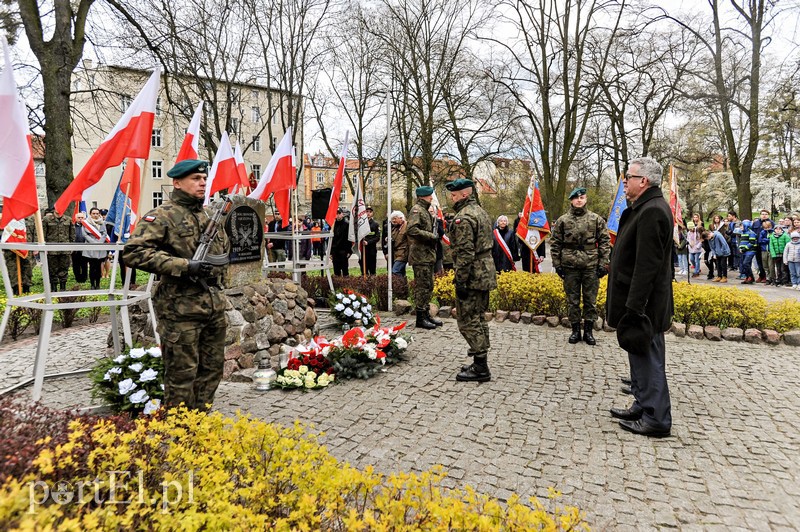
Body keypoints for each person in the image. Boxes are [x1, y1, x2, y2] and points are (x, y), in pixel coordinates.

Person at [123, 159, 229, 411]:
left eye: (204, 179)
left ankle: (201, 420)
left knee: (212, 369)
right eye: (195, 178)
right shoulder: (162, 216)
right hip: (180, 309)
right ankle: (179, 430)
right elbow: (133, 252)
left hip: (212, 305)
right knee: (181, 375)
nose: (202, 182)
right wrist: (184, 266)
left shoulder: (207, 215)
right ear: (177, 182)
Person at [606, 157, 673, 438]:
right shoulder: (643, 208)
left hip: (644, 305)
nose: (624, 181)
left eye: (628, 177)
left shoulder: (653, 211)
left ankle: (656, 418)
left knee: (649, 356)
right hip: (637, 302)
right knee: (638, 354)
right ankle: (643, 404)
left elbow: (647, 265)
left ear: (643, 181)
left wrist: (635, 306)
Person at [445, 178, 496, 382]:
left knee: (467, 320)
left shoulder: (463, 218)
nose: (452, 197)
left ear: (464, 194)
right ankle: (479, 359)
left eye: (454, 194)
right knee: (479, 316)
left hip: (473, 274)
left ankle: (481, 368)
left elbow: (465, 253)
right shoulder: (479, 211)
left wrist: (461, 281)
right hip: (485, 270)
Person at [549, 187, 611, 345]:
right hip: (569, 266)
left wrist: (604, 264)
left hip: (591, 265)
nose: (579, 200)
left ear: (586, 199)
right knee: (573, 301)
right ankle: (575, 330)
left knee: (590, 300)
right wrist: (557, 265)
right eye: (576, 198)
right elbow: (555, 243)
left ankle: (589, 332)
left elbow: (605, 242)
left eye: (582, 197)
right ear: (571, 200)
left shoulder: (596, 219)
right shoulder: (563, 220)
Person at [406, 186, 442, 330]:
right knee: (422, 287)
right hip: (420, 256)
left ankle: (426, 314)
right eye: (429, 196)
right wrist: (431, 236)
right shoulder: (417, 210)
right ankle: (420, 318)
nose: (431, 198)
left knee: (428, 286)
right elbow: (412, 230)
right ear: (423, 197)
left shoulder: (425, 210)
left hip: (427, 255)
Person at [42, 206, 75, 291]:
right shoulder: (47, 219)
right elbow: (43, 234)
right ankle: (53, 288)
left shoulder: (68, 219)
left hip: (65, 249)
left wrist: (71, 246)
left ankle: (63, 287)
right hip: (52, 249)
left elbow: (72, 234)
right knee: (52, 269)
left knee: (64, 268)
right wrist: (44, 247)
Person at [82, 207, 109, 290]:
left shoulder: (102, 223)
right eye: (94, 213)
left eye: (97, 213)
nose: (96, 215)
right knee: (92, 267)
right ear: (90, 214)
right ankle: (92, 284)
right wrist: (94, 242)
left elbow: (104, 234)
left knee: (98, 267)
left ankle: (98, 284)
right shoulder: (86, 223)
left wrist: (100, 242)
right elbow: (85, 234)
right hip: (90, 248)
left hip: (100, 248)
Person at [751, 209, 772, 282]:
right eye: (762, 214)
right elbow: (752, 233)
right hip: (757, 245)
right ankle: (761, 275)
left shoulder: (771, 223)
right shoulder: (756, 223)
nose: (764, 215)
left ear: (768, 215)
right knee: (759, 261)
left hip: (766, 246)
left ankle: (767, 276)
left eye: (766, 214)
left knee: (766, 262)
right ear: (760, 215)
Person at [330, 208, 352, 276]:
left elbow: (349, 239)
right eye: (336, 214)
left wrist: (349, 251)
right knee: (336, 270)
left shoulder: (347, 225)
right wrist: (330, 252)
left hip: (343, 250)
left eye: (339, 213)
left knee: (345, 270)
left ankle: (346, 285)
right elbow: (331, 239)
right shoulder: (332, 225)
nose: (338, 215)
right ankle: (337, 284)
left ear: (342, 214)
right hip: (335, 251)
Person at [360, 206, 380, 275]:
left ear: (372, 213)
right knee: (363, 268)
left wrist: (368, 242)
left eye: (370, 212)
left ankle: (372, 283)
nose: (368, 213)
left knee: (372, 269)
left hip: (371, 250)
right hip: (363, 250)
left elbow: (377, 237)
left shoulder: (375, 224)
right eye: (367, 211)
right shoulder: (361, 223)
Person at [388, 210, 409, 277]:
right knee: (402, 272)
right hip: (396, 254)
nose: (393, 221)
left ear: (401, 218)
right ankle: (404, 286)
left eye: (395, 218)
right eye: (392, 219)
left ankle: (399, 285)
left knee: (395, 271)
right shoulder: (394, 228)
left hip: (403, 253)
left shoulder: (407, 226)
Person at [738, 220, 758, 284]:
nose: (740, 227)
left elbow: (752, 243)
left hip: (750, 251)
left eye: (742, 226)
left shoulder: (751, 233)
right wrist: (740, 248)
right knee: (745, 265)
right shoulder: (743, 233)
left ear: (746, 226)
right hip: (744, 251)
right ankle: (748, 277)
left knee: (745, 263)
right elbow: (743, 242)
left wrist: (744, 249)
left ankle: (751, 277)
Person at [72, 211, 88, 283]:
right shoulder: (72, 226)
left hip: (84, 249)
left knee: (84, 264)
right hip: (75, 249)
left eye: (82, 217)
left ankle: (84, 278)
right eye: (79, 217)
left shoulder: (87, 227)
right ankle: (77, 278)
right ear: (76, 218)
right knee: (76, 265)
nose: (80, 219)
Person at [758, 220, 774, 285]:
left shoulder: (773, 232)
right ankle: (767, 278)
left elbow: (773, 239)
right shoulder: (762, 232)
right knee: (765, 265)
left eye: (768, 227)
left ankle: (772, 278)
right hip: (764, 250)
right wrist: (768, 240)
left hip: (770, 250)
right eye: (765, 227)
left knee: (771, 265)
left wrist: (766, 240)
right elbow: (760, 240)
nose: (766, 229)